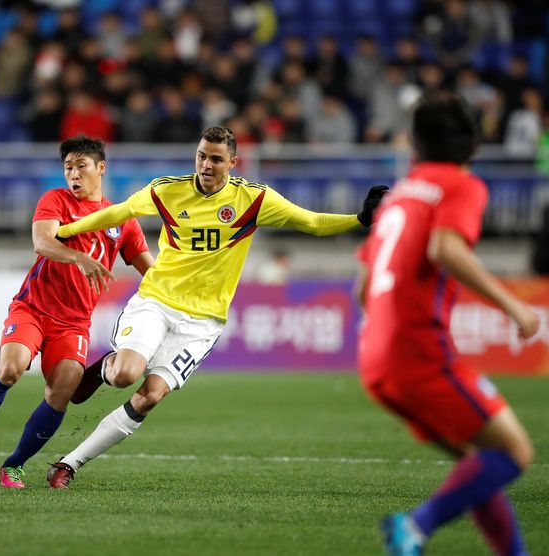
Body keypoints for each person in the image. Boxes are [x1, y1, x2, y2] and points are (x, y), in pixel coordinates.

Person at [45, 126, 388, 488]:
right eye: (201, 156)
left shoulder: (254, 200)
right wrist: (66, 233)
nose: (205, 165)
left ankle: (69, 464)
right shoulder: (168, 190)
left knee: (151, 396)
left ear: (233, 163)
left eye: (215, 159)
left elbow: (312, 222)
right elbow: (118, 213)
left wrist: (359, 220)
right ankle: (104, 370)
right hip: (157, 301)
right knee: (124, 376)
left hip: (203, 322)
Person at [355, 92, 539, 555]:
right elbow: (447, 250)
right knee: (515, 453)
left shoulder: (398, 196)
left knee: (480, 466)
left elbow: (362, 288)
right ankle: (415, 527)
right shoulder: (460, 185)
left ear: (414, 146)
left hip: (375, 358)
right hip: (417, 354)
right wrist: (514, 306)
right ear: (471, 145)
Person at [0, 136, 153, 488]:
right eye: (68, 167)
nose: (73, 173)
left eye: (81, 166)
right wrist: (78, 257)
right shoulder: (55, 200)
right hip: (33, 309)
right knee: (10, 368)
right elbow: (42, 241)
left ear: (101, 168)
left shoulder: (122, 221)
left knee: (63, 390)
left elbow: (151, 271)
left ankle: (14, 464)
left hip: (73, 324)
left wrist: (181, 293)